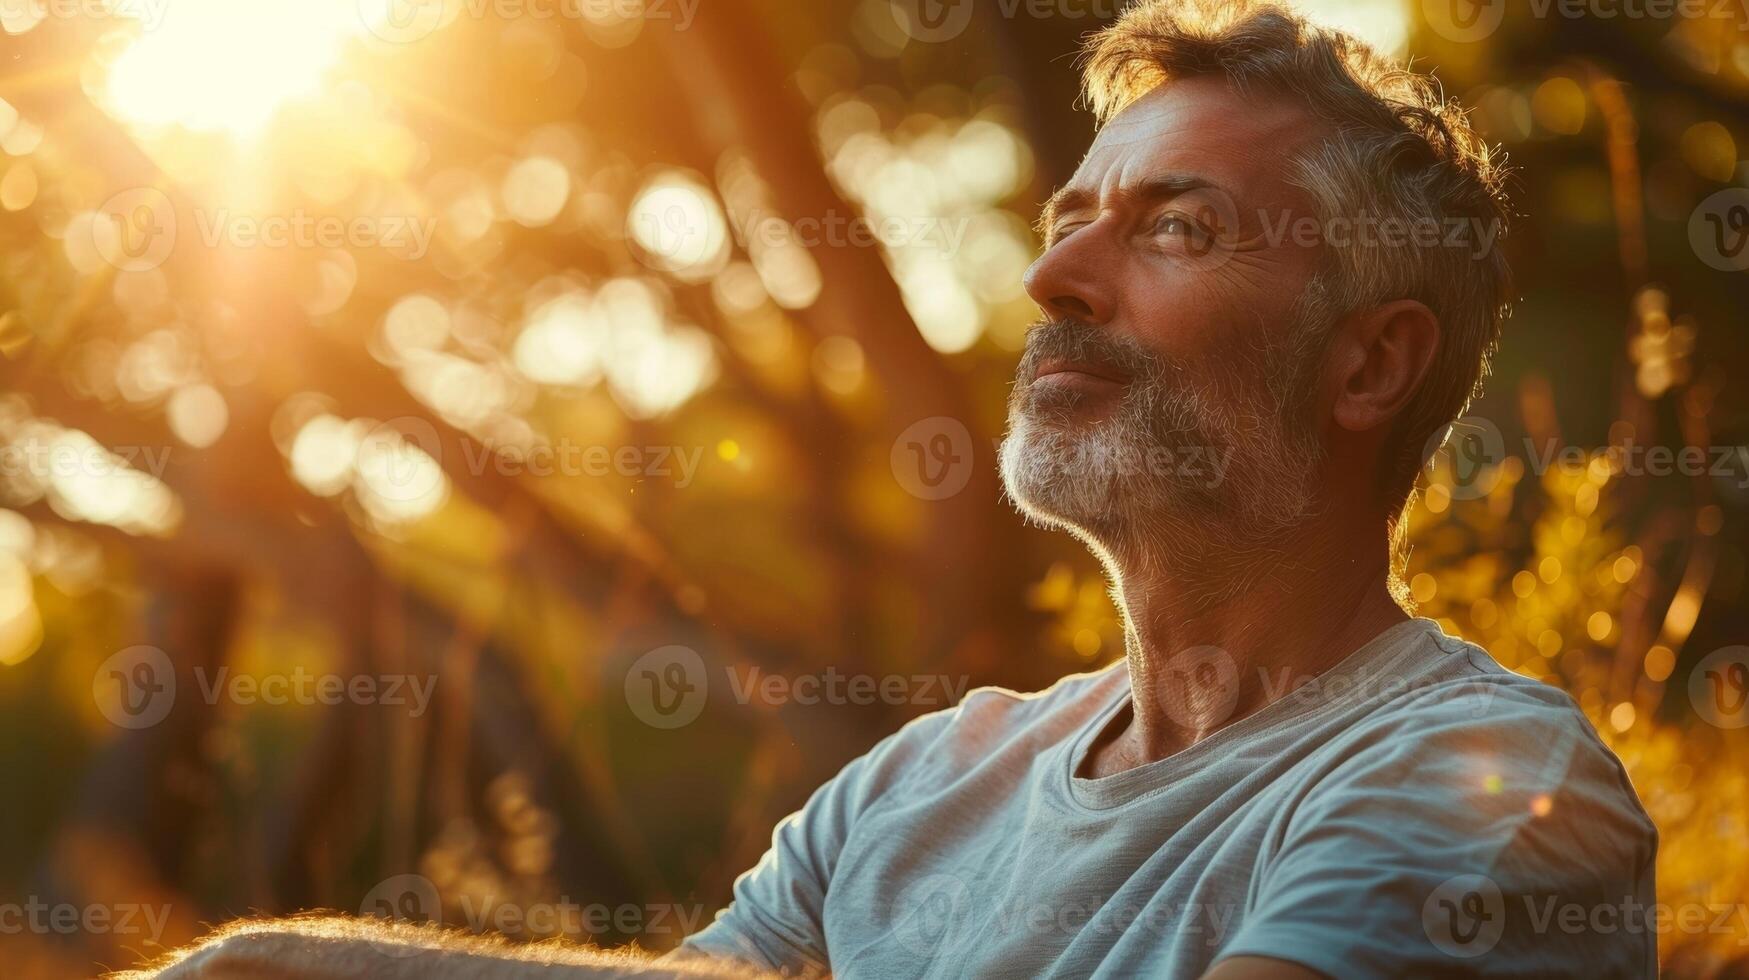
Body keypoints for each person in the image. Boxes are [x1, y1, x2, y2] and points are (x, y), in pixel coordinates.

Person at [132, 1, 1657, 977]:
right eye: (1068, 222)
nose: (1054, 277)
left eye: (1174, 229)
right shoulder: (929, 779)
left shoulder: (1485, 788)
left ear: (1367, 369)